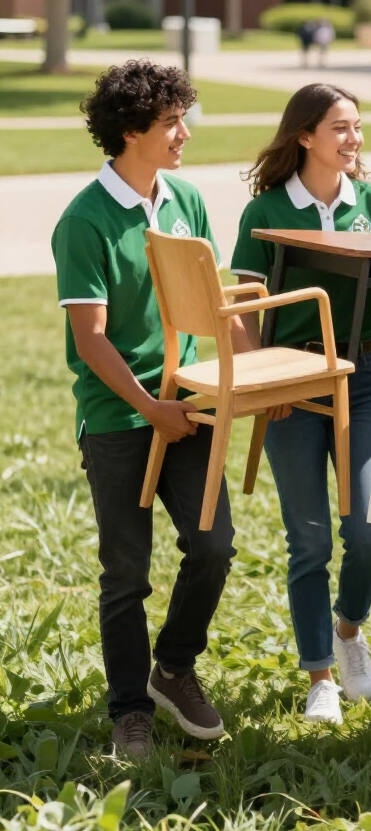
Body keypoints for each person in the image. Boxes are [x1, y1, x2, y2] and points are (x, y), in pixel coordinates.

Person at [51, 60, 240, 758]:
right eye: (171, 124)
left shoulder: (185, 201)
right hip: (119, 418)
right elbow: (91, 338)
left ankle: (173, 667)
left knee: (214, 546)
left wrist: (252, 378)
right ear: (130, 132)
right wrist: (147, 407)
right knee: (126, 572)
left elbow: (215, 307)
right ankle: (129, 710)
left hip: (189, 410)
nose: (184, 134)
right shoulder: (85, 220)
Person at [231, 83, 371, 725]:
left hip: (362, 378)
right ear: (305, 135)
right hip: (291, 382)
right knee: (307, 540)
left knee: (368, 532)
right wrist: (265, 381)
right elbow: (242, 312)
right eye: (340, 128)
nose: (353, 139)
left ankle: (348, 628)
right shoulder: (266, 210)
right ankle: (320, 679)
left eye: (357, 127)